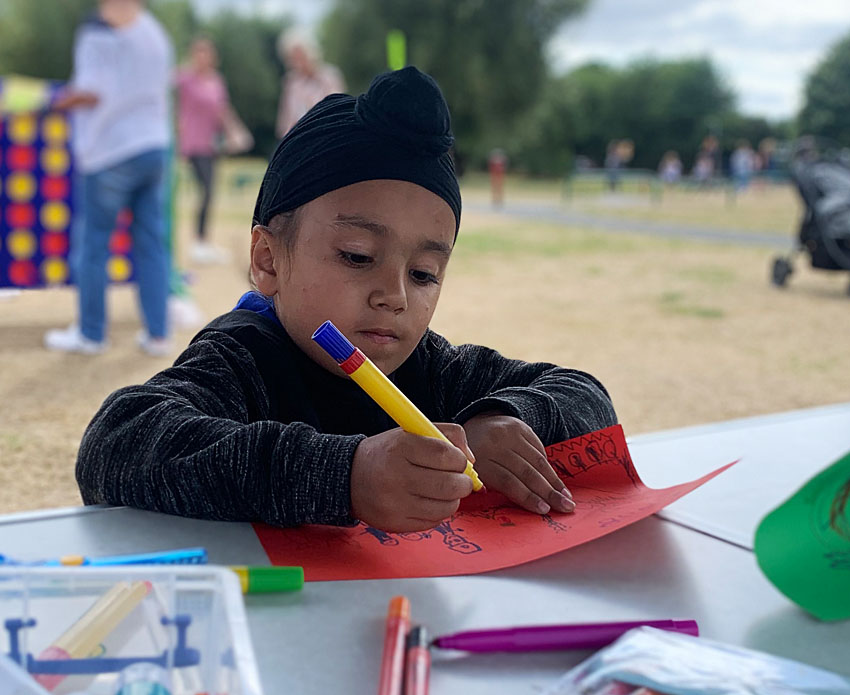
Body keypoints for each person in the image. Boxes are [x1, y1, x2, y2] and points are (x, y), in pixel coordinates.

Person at [75, 67, 618, 532]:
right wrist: (347, 476)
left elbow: (586, 396)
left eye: (424, 273)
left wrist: (499, 420)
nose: (394, 295)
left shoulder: (431, 368)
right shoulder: (243, 356)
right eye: (358, 256)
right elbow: (114, 445)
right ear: (267, 260)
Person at [44, 0, 173, 356]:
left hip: (110, 150)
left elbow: (90, 91)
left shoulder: (96, 31)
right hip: (154, 145)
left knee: (93, 245)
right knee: (151, 244)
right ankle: (158, 334)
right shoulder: (154, 32)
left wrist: (54, 100)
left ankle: (90, 334)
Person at [176, 36, 232, 265]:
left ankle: (203, 241)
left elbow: (222, 112)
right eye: (198, 53)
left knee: (211, 192)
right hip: (192, 143)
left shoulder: (217, 81)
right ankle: (198, 242)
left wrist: (233, 133)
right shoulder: (186, 79)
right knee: (206, 190)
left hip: (211, 144)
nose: (202, 57)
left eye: (206, 53)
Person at [275, 27, 344, 139]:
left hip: (327, 135)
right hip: (298, 139)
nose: (297, 62)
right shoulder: (290, 82)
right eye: (292, 58)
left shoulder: (330, 76)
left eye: (300, 56)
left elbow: (337, 109)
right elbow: (284, 122)